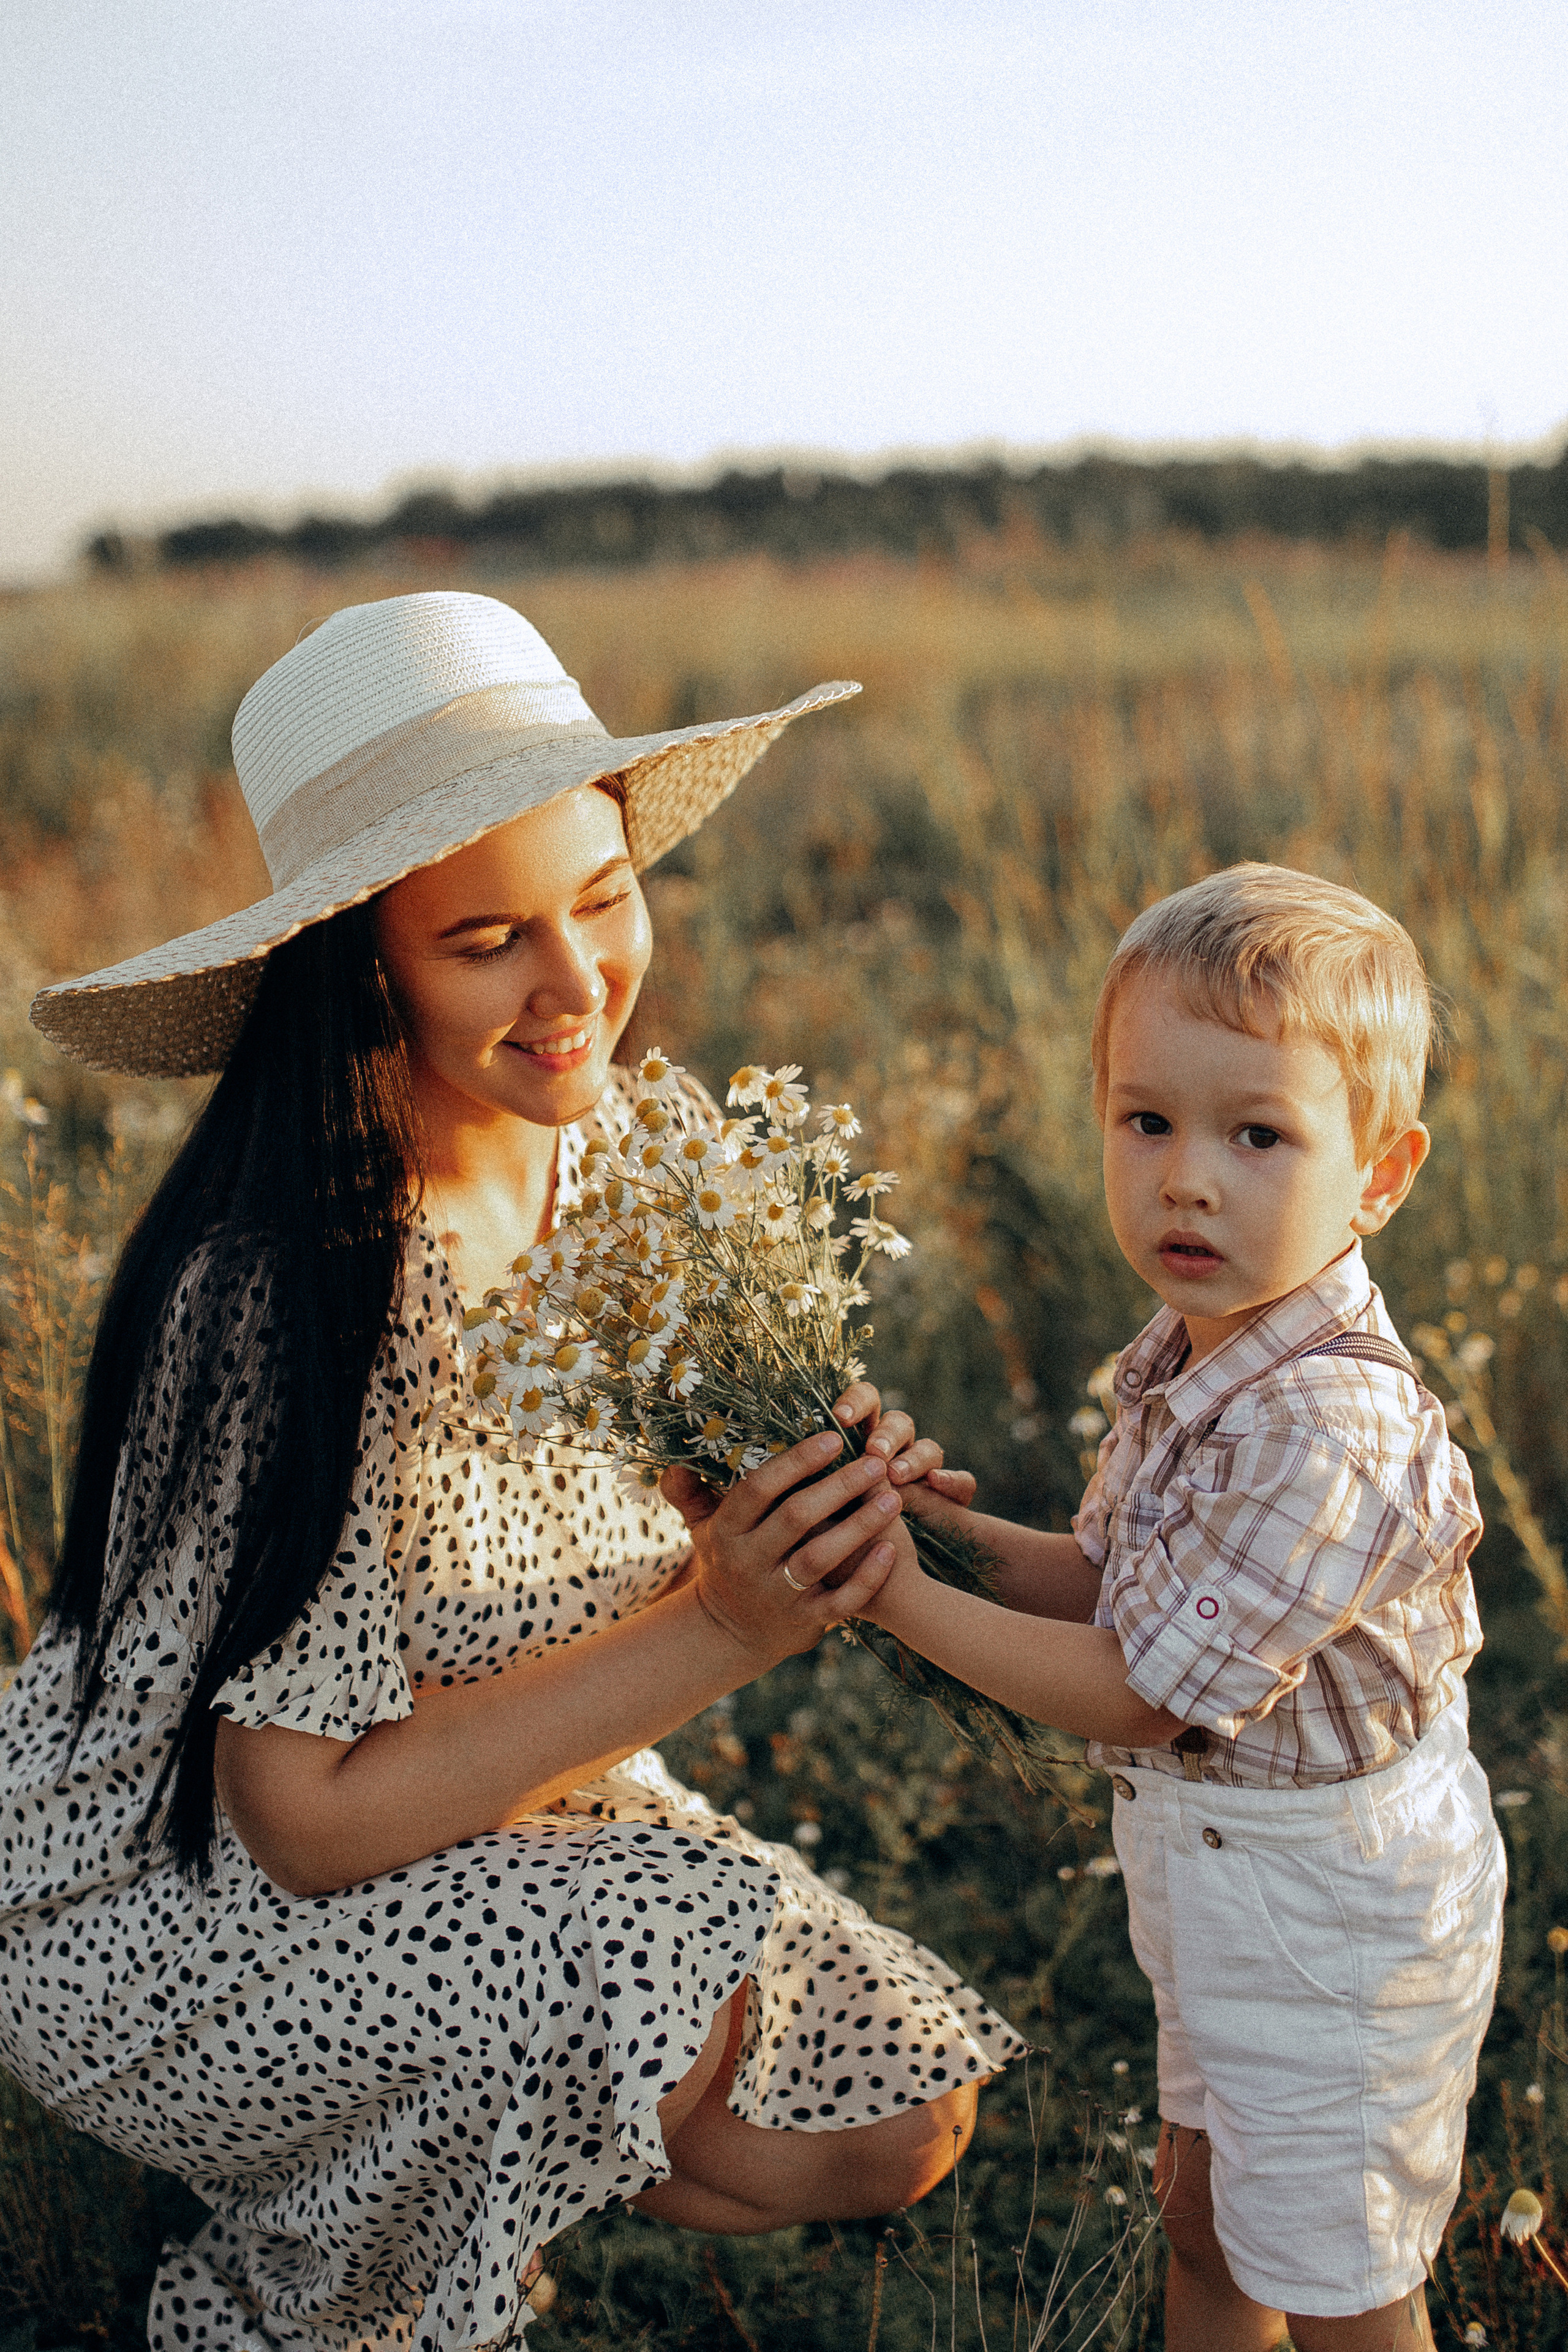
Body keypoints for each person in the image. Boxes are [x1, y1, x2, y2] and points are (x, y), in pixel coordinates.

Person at [0, 592, 1022, 2352]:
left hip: (494, 1790)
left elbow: (674, 1524)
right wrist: (728, 1625)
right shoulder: (291, 1289)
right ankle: (306, 2273)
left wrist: (828, 1499)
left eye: (606, 898)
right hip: (172, 1905)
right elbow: (301, 1825)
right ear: (360, 967)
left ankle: (418, 2149)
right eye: (486, 941)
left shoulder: (628, 1153)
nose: (578, 990)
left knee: (896, 2119)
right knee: (661, 1998)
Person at [845, 865, 1506, 2352]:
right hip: (1222, 1884)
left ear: (1378, 1175)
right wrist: (923, 1529)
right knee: (1205, 2212)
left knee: (1338, 2279)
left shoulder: (1325, 1423)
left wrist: (888, 1597)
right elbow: (1108, 1589)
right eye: (1145, 1121)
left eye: (1256, 1134)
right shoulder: (1193, 1353)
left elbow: (1143, 1687)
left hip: (1336, 1916)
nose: (1184, 1177)